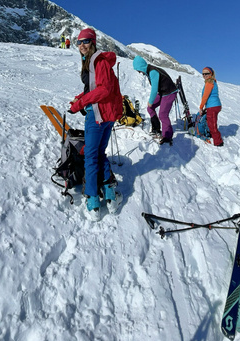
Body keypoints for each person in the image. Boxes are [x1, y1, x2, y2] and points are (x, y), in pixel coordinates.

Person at [68, 28, 123, 211]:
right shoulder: (96, 61)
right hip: (107, 115)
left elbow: (104, 90)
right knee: (99, 153)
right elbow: (95, 87)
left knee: (90, 156)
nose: (81, 45)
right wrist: (80, 97)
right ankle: (109, 193)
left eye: (85, 41)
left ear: (93, 42)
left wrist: (81, 103)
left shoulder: (97, 61)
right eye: (79, 42)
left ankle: (92, 198)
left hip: (98, 115)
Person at [131, 56, 177, 144]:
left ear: (141, 66)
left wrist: (151, 101)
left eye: (138, 70)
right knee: (150, 108)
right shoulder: (149, 71)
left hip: (169, 92)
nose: (139, 72)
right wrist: (151, 103)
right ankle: (156, 128)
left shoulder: (153, 71)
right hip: (163, 92)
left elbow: (154, 89)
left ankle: (167, 136)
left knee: (163, 115)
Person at [198, 67, 223, 146]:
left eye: (207, 73)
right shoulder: (212, 82)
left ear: (211, 74)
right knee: (212, 123)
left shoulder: (209, 83)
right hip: (214, 105)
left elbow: (205, 96)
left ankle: (218, 142)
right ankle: (214, 136)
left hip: (213, 106)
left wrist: (201, 107)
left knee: (212, 125)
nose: (205, 75)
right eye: (203, 74)